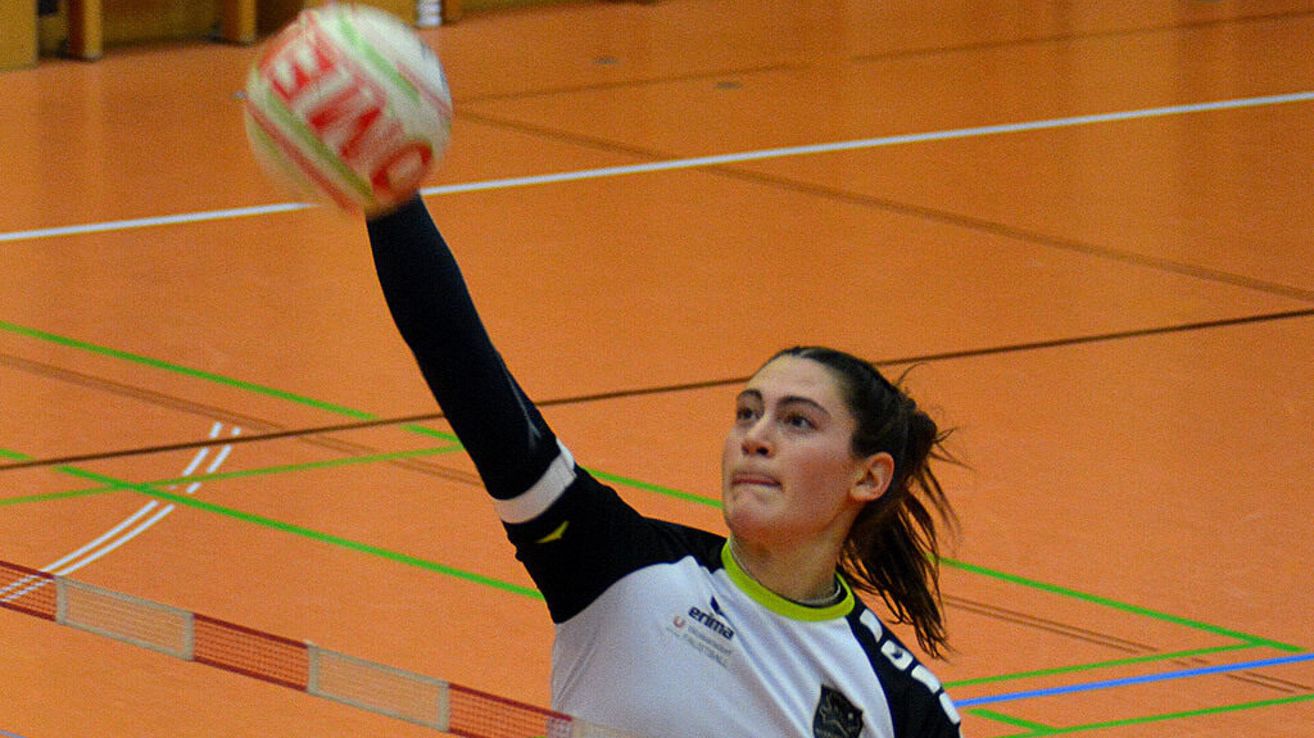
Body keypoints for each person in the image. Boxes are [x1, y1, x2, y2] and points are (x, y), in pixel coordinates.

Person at [365, 196, 964, 738]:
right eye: (747, 414)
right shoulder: (619, 566)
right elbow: (464, 366)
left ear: (869, 476)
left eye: (797, 421)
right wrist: (390, 200)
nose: (756, 438)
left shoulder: (906, 708)